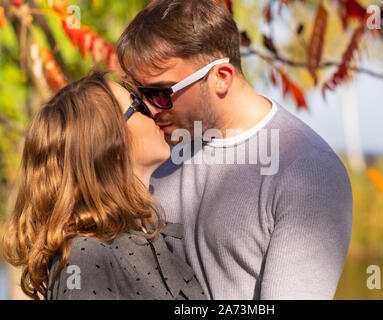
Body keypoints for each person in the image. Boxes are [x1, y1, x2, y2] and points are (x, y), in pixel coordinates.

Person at [116, 0, 353, 300]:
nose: (149, 108)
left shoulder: (308, 173)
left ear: (221, 78)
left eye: (162, 93)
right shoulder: (158, 153)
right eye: (139, 94)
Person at [1, 71, 207, 300]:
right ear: (109, 144)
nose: (156, 111)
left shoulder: (147, 237)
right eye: (138, 105)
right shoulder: (84, 257)